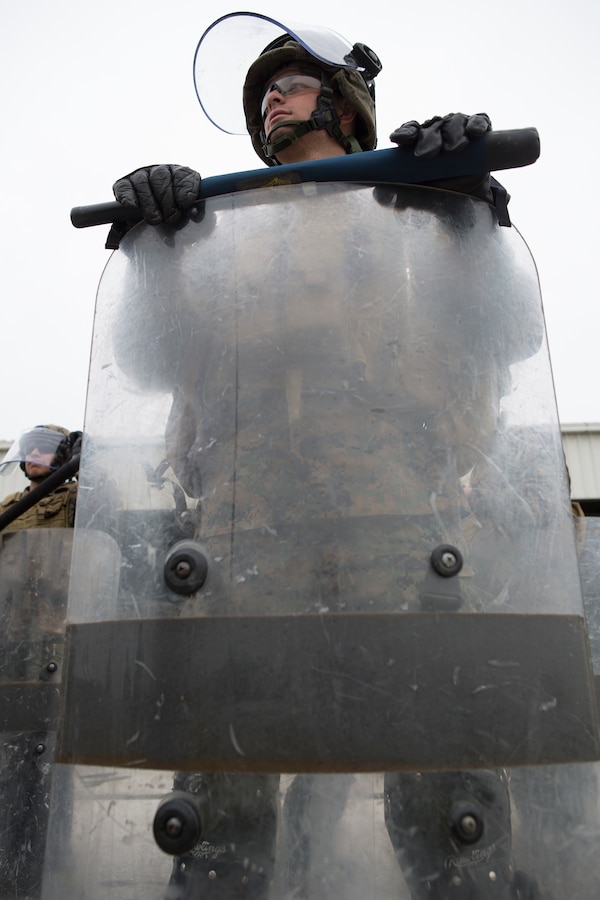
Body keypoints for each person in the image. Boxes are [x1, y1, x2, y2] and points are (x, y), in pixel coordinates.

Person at [104, 16, 542, 900]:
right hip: (247, 530)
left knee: (434, 744)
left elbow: (509, 334)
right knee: (225, 754)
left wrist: (466, 217)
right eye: (265, 90)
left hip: (397, 521)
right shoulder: (225, 230)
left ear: (347, 104)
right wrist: (158, 251)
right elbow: (147, 361)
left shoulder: (405, 212)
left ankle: (466, 882)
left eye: (294, 82)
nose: (273, 97)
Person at [0, 424, 81, 534]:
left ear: (63, 457)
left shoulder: (76, 496)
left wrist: (82, 463)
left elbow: (101, 507)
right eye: (29, 449)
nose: (34, 453)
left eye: (44, 448)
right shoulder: (7, 506)